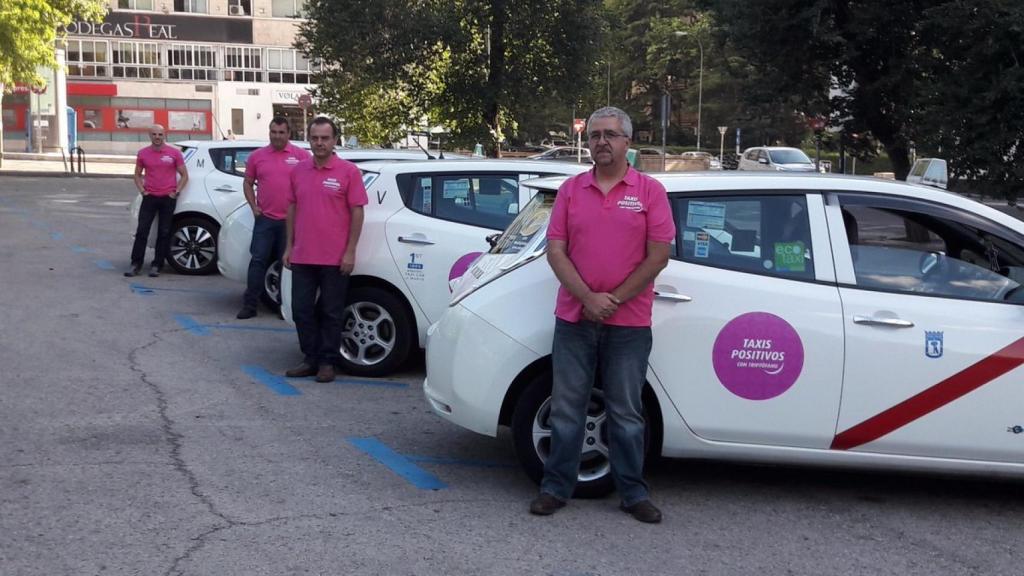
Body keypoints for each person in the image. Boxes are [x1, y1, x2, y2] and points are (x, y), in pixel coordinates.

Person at [529, 107, 675, 524]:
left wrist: (612, 300)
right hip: (574, 320)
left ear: (627, 141)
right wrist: (588, 298)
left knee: (626, 413)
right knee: (566, 408)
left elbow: (658, 257)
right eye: (595, 135)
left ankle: (633, 493)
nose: (601, 142)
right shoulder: (571, 190)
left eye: (610, 134)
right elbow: (555, 250)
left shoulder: (650, 192)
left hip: (629, 324)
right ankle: (555, 488)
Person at [282, 117, 367, 383]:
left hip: (335, 258)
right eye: (315, 138)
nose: (319, 143)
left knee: (331, 312)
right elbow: (292, 208)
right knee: (301, 310)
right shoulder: (299, 171)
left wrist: (350, 251)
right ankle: (310, 358)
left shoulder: (348, 172)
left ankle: (327, 362)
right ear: (309, 139)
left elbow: (357, 212)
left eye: (325, 138)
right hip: (303, 255)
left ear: (334, 140)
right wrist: (289, 246)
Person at [236, 117, 311, 319]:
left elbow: (310, 184)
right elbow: (247, 182)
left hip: (291, 222)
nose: (277, 136)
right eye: (273, 132)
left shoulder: (302, 156)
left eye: (281, 132)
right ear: (269, 132)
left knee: (287, 265)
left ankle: (283, 307)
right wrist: (254, 207)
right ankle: (250, 305)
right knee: (257, 261)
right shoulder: (257, 156)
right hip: (265, 220)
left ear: (288, 134)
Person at [125, 124, 188, 278]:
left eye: (160, 134)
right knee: (142, 231)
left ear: (164, 135)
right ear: (150, 135)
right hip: (150, 197)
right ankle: (135, 264)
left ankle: (157, 265)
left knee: (164, 232)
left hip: (168, 198)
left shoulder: (174, 153)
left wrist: (176, 192)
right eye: (154, 134)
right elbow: (137, 175)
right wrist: (143, 191)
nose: (157, 137)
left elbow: (184, 175)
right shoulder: (143, 153)